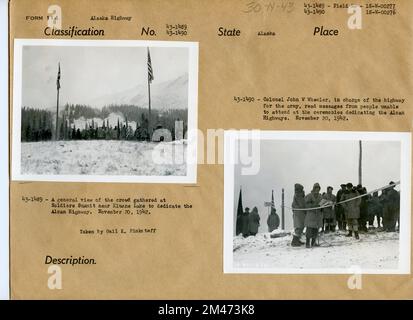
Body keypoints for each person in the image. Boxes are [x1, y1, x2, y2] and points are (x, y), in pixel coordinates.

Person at [304, 183, 323, 248]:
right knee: (309, 229)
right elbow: (306, 205)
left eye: (318, 189)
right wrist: (314, 205)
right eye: (316, 188)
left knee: (316, 229)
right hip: (311, 215)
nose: (317, 190)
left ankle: (313, 242)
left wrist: (324, 205)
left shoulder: (320, 196)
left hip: (317, 215)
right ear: (314, 188)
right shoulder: (309, 196)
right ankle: (307, 243)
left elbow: (321, 203)